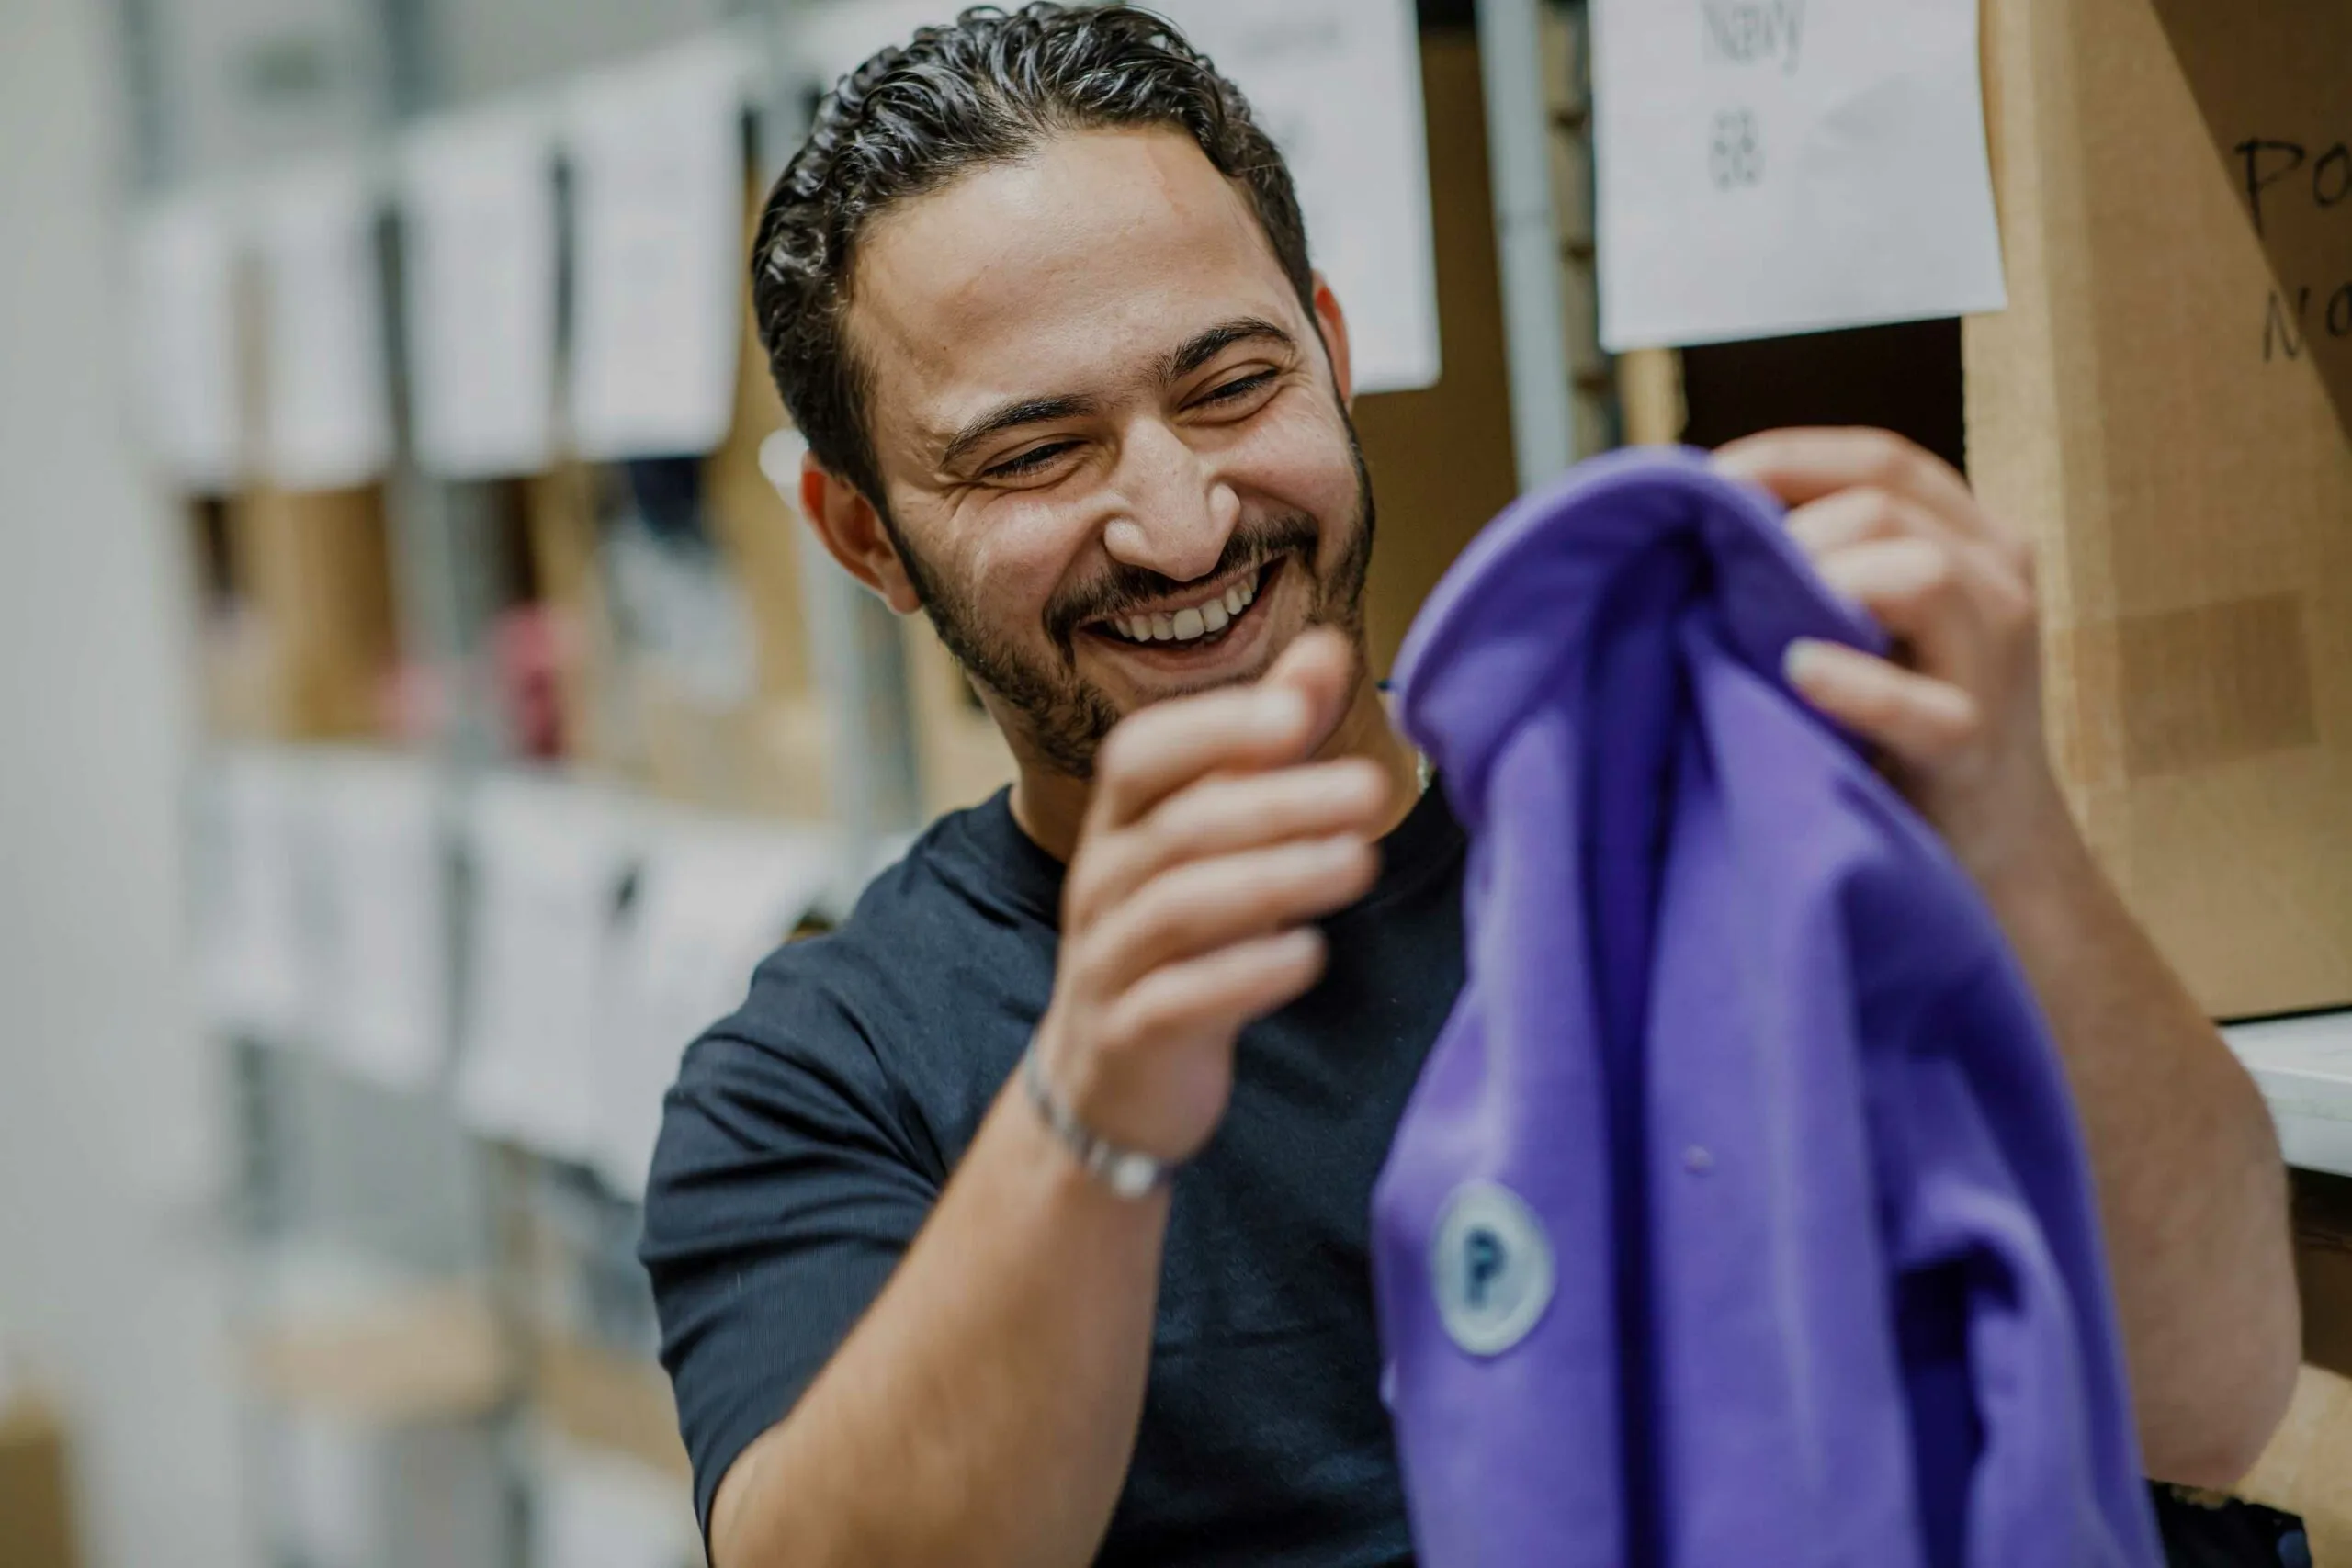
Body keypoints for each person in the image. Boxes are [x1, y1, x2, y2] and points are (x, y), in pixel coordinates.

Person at [639, 6, 2301, 1564]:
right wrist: (1087, 1126)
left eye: (1233, 386)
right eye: (1034, 455)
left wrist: (2013, 834)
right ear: (865, 536)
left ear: (1333, 352)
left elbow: (2209, 1395)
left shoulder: (1700, 835)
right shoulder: (824, 1068)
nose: (1183, 523)